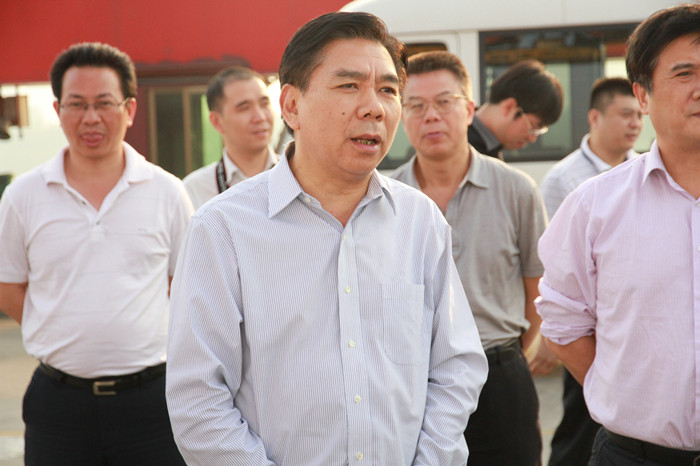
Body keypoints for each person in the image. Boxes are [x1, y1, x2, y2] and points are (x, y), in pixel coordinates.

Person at [165, 12, 488, 466]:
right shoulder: (223, 229)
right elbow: (198, 401)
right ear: (291, 105)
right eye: (349, 85)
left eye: (388, 90)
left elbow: (456, 368)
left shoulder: (420, 221)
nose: (374, 107)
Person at [0, 42, 192, 465]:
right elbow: (10, 287)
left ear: (129, 109)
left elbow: (183, 285)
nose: (91, 117)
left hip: (152, 403)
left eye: (104, 103)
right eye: (77, 104)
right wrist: (60, 329)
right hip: (58, 403)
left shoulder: (167, 192)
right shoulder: (22, 196)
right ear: (58, 110)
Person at [537, 4, 700, 465]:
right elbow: (563, 320)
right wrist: (623, 394)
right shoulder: (594, 205)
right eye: (684, 73)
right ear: (642, 95)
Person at [391, 50, 547, 466]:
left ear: (469, 110)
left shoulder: (516, 189)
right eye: (415, 105)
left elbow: (538, 286)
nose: (431, 116)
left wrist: (509, 354)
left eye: (444, 102)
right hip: (411, 382)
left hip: (500, 379)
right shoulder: (384, 198)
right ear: (402, 116)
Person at [539, 77, 642, 466]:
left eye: (638, 115)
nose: (635, 123)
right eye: (625, 114)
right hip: (587, 330)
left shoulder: (646, 171)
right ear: (595, 118)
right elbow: (554, 263)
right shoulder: (565, 179)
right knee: (579, 432)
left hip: (632, 328)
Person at [183, 66, 277, 209]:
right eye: (244, 108)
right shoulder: (194, 190)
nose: (260, 117)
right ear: (217, 121)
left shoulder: (298, 176)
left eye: (265, 104)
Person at [468, 59, 562, 160]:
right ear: (509, 107)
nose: (532, 139)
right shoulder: (463, 148)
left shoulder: (486, 147)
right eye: (532, 127)